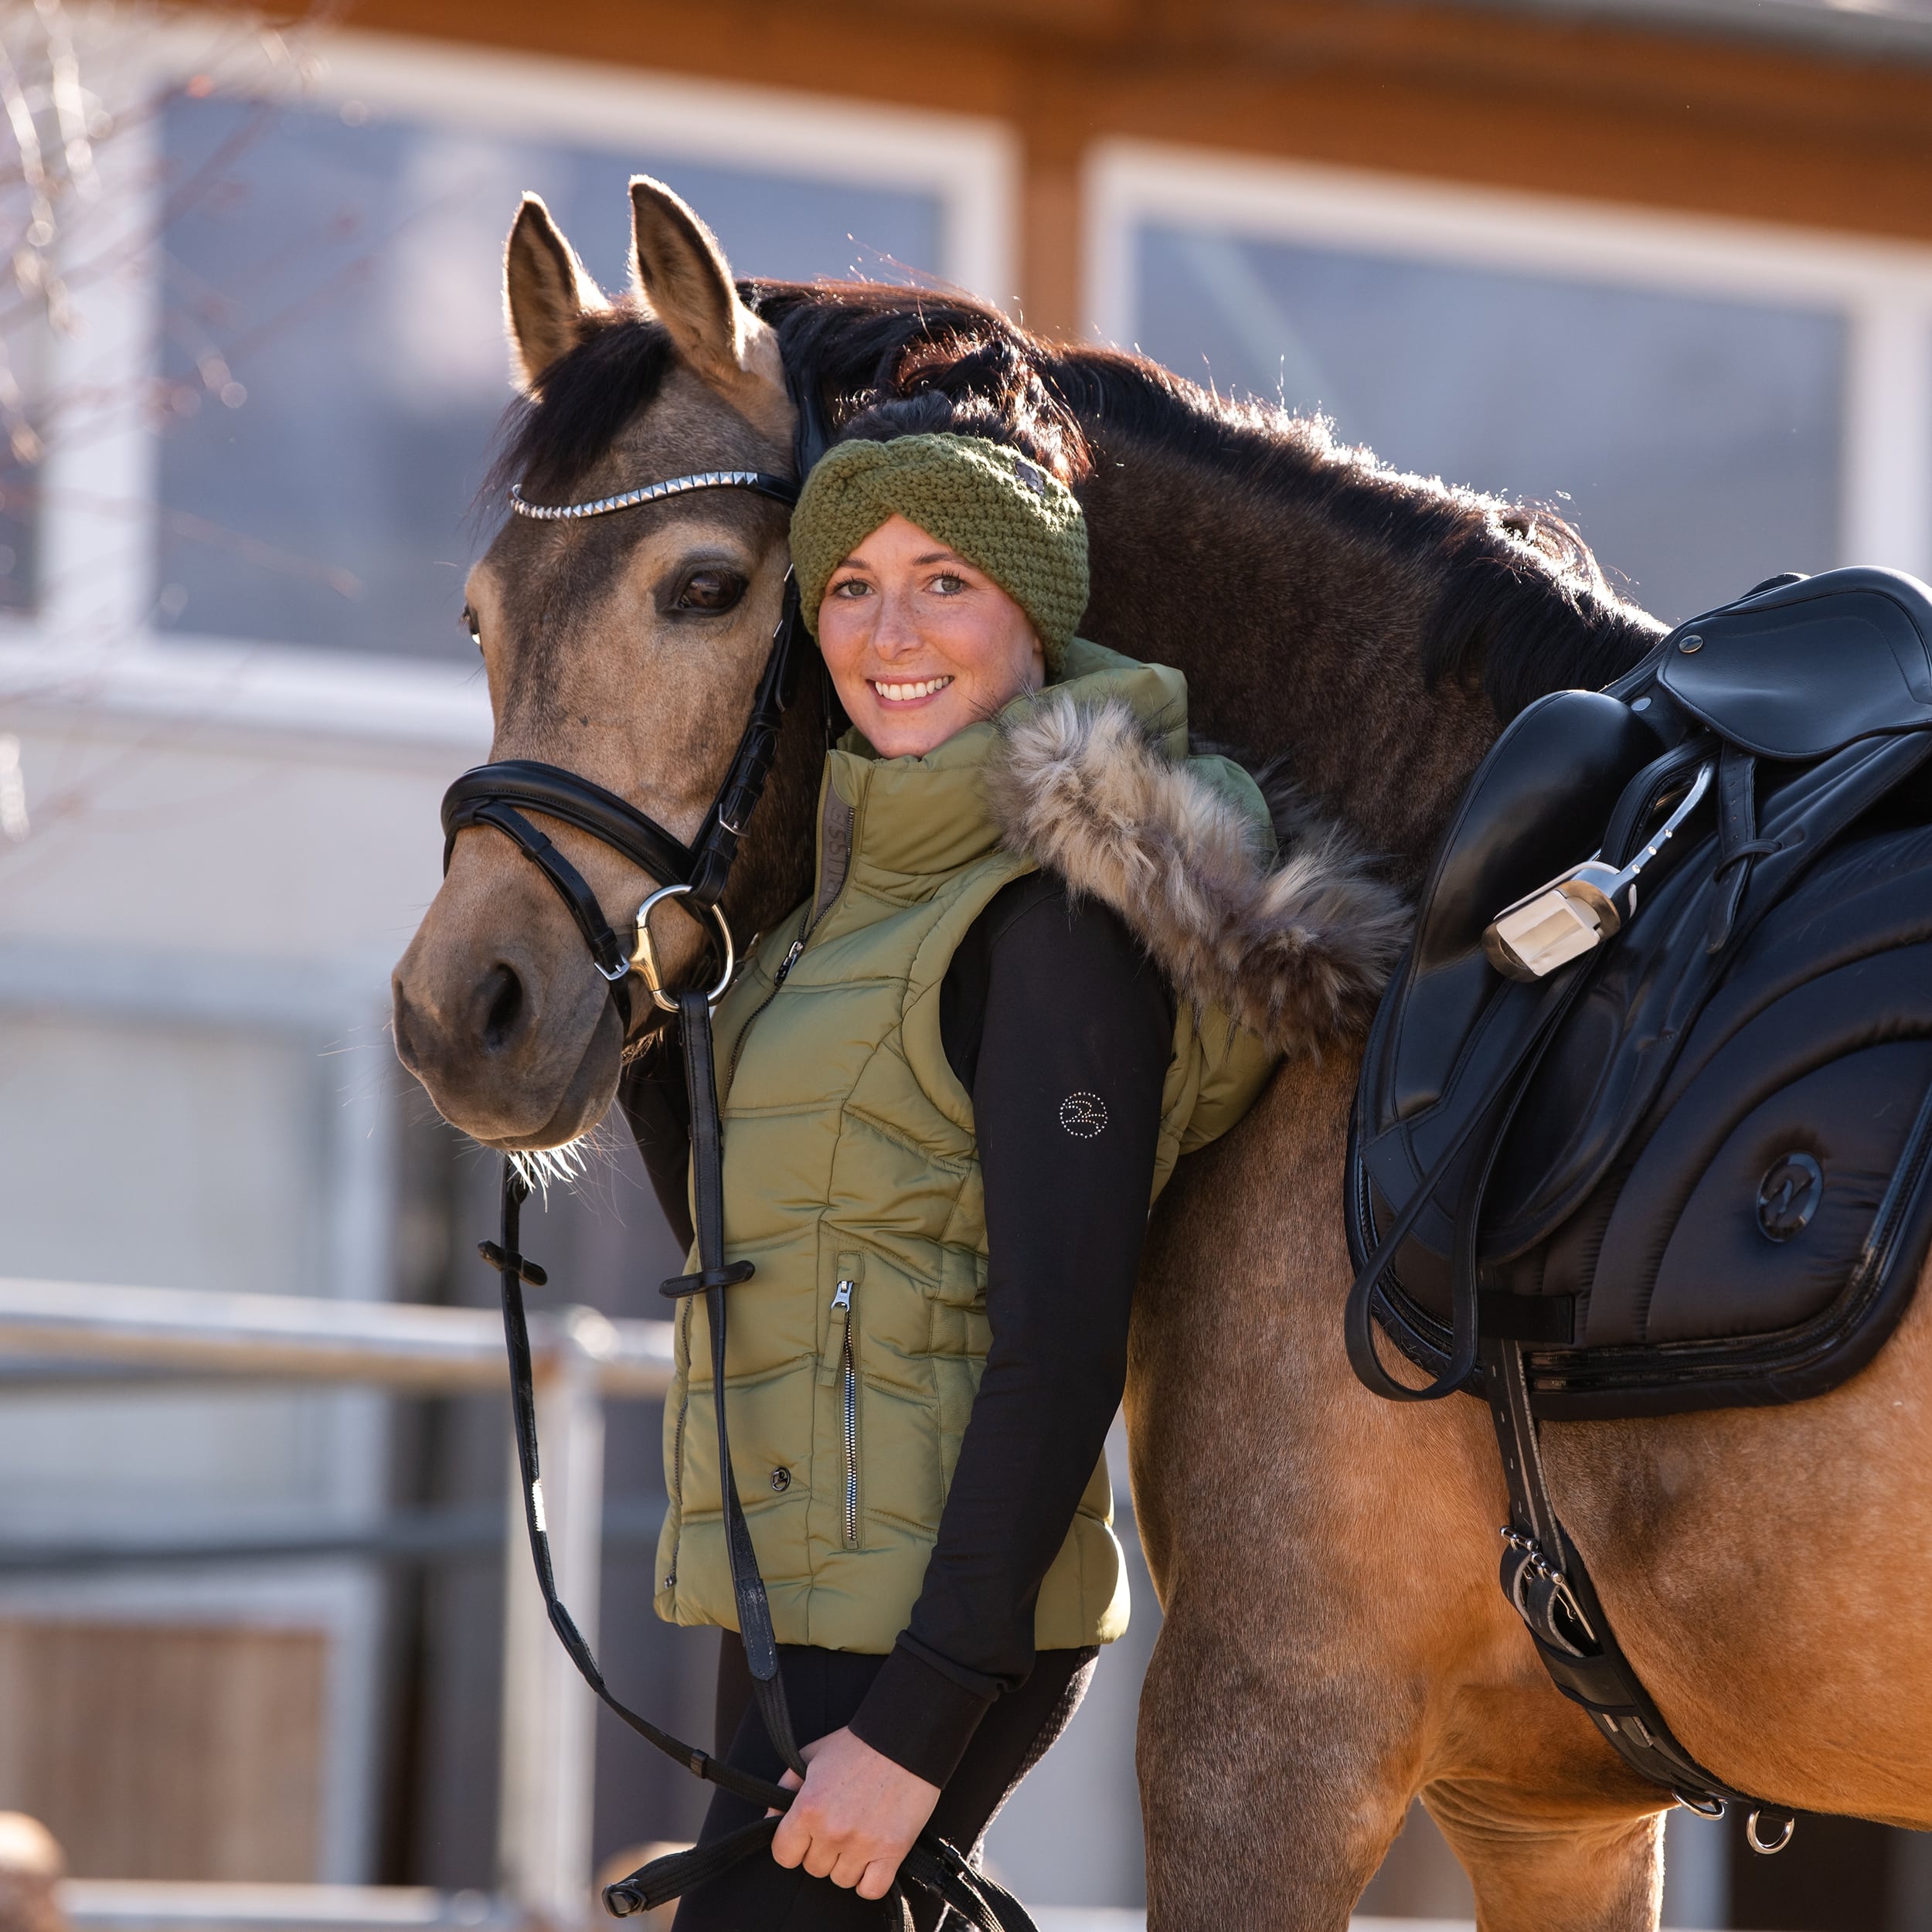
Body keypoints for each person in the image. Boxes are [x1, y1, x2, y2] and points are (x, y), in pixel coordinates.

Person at [623, 394, 1379, 1928]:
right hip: (793, 1587)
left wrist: (915, 1726)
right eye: (848, 585)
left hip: (927, 1628)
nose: (887, 628)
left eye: (942, 579)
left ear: (1030, 622)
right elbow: (754, 1241)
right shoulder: (839, 908)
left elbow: (1059, 1342)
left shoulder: (1053, 927)